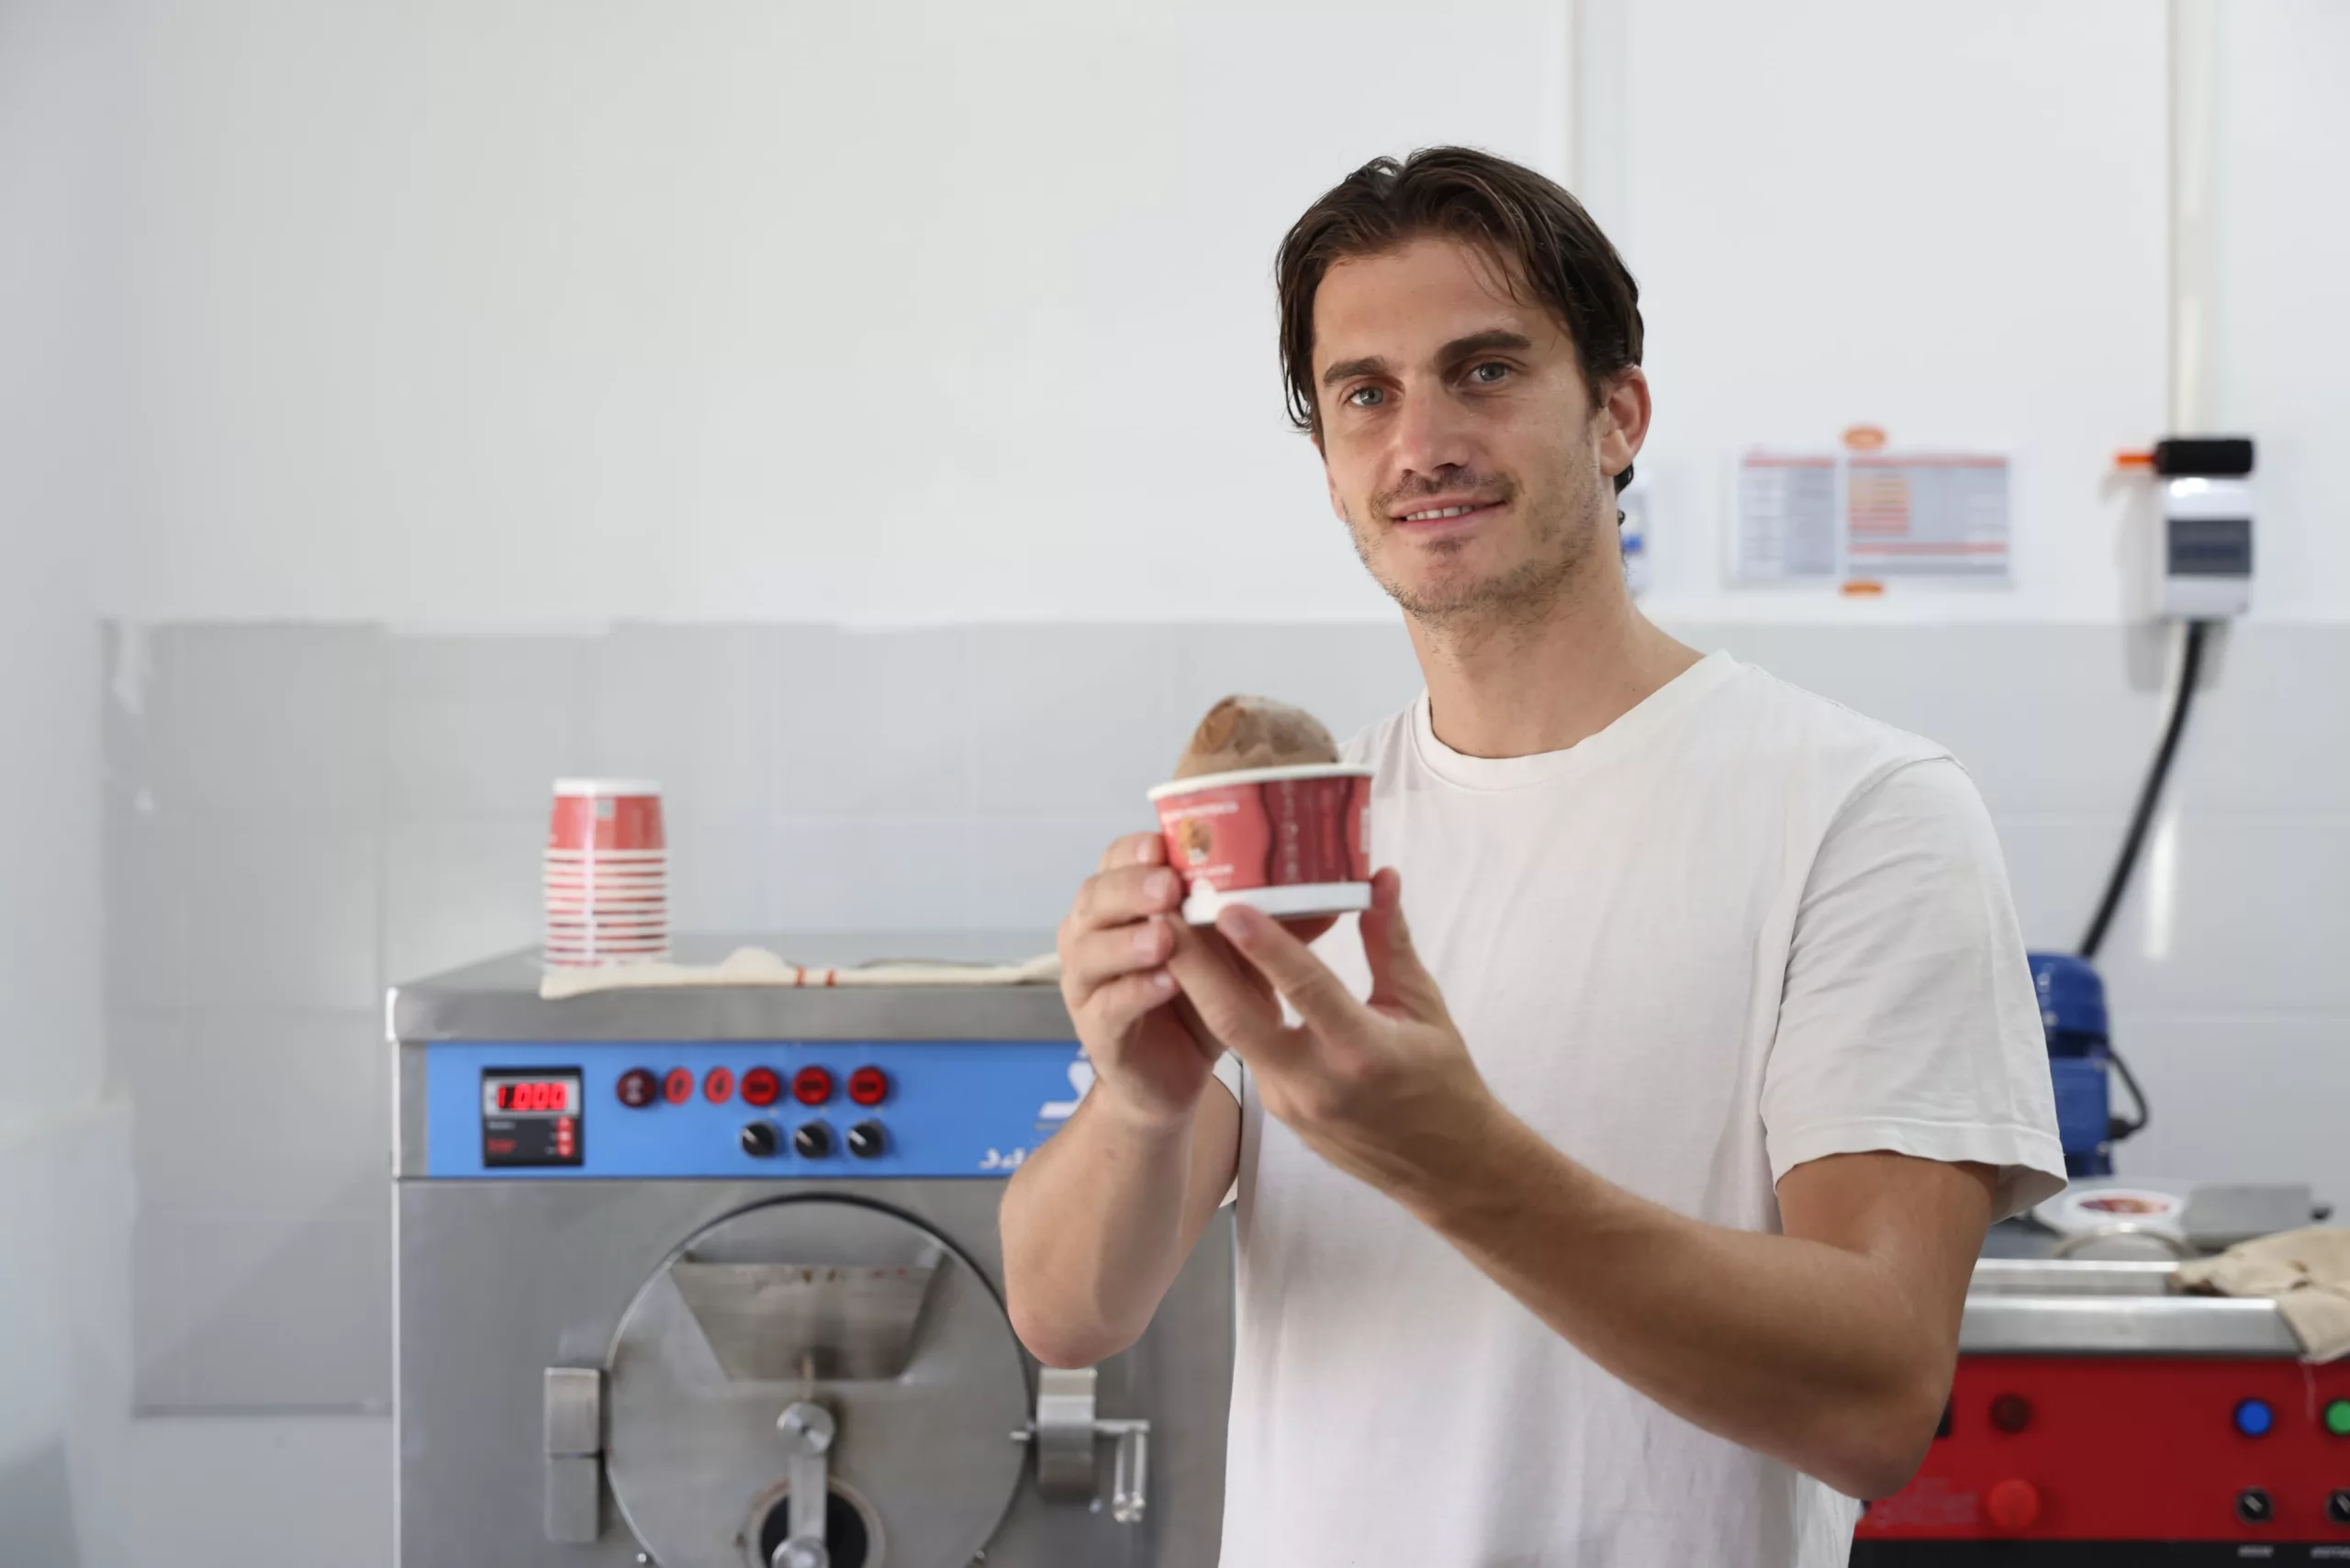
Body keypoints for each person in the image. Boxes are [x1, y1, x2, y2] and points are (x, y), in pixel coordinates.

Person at [998, 146, 2063, 1566]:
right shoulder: (1299, 832)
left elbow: (1874, 1399)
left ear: (1617, 416)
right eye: (1363, 395)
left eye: (1484, 371)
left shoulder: (1862, 810)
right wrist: (1141, 1103)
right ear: (1326, 464)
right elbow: (1069, 1312)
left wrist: (1460, 1163)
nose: (1419, 442)